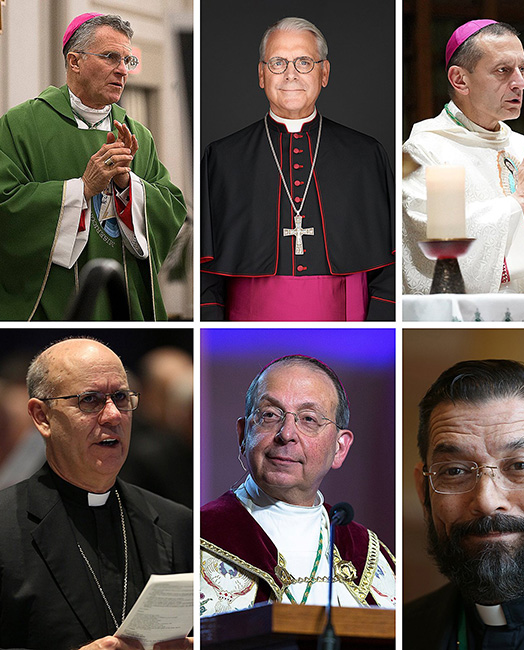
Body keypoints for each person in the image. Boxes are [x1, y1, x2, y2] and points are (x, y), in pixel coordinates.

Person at [0, 338, 192, 649]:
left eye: (120, 397)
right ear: (42, 417)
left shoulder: (178, 525)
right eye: (90, 400)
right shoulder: (4, 526)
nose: (114, 415)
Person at [201, 17, 394, 322]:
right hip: (251, 320)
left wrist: (381, 324)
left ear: (324, 72)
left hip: (348, 318)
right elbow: (205, 271)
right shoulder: (222, 157)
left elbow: (390, 264)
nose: (290, 74)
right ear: (262, 74)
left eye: (304, 62)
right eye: (278, 63)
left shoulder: (365, 154)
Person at [0, 13, 186, 321]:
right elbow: (6, 206)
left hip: (121, 302)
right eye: (111, 57)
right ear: (74, 61)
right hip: (53, 304)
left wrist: (129, 185)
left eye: (128, 60)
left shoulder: (137, 133)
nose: (123, 70)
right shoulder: (20, 126)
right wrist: (82, 189)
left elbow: (171, 206)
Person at [405, 360, 524, 648]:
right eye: (455, 471)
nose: (486, 501)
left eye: (520, 465)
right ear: (424, 492)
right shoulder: (403, 633)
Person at [402, 20, 524, 295]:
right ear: (460, 79)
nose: (520, 83)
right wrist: (521, 201)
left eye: (522, 69)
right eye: (503, 70)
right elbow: (434, 246)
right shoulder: (422, 151)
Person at [200, 355, 395, 613]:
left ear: (340, 448)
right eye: (269, 415)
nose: (287, 434)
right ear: (243, 435)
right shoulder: (200, 535)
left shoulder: (369, 552)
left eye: (309, 419)